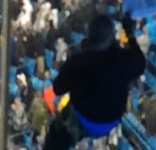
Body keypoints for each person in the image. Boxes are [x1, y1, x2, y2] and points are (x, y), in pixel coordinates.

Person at [43, 12, 146, 149]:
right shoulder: (123, 59)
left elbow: (58, 88)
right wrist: (130, 34)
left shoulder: (78, 62)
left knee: (57, 132)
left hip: (83, 119)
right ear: (110, 37)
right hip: (111, 120)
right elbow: (140, 63)